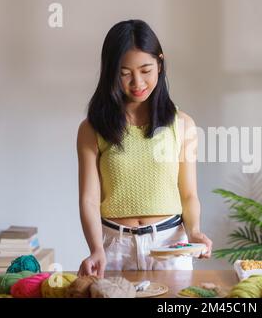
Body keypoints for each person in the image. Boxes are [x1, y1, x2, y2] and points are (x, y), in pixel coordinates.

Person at [76, 19, 212, 277]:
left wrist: (194, 232)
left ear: (160, 64)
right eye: (124, 73)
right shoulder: (91, 129)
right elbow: (89, 200)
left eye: (146, 69)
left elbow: (189, 194)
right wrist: (96, 249)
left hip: (170, 244)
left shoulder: (183, 124)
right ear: (110, 73)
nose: (137, 82)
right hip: (114, 247)